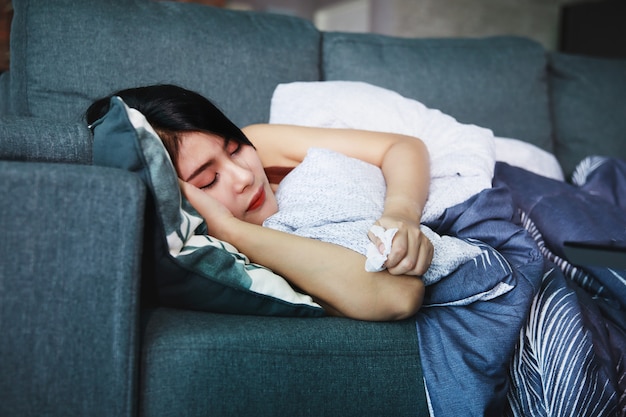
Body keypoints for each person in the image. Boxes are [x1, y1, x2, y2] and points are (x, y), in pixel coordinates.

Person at [86, 84, 433, 321]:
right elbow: (398, 296)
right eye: (208, 180)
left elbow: (401, 147)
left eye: (235, 149)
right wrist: (230, 229)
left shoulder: (262, 144)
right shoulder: (226, 253)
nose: (243, 176)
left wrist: (401, 213)